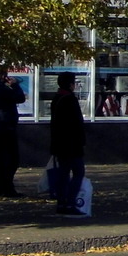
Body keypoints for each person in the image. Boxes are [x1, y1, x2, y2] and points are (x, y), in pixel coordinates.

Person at [0, 67, 27, 197]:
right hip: (5, 125)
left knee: (0, 158)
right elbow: (20, 98)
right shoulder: (0, 88)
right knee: (12, 158)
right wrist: (15, 85)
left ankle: (0, 186)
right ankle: (7, 187)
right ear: (3, 75)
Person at [49, 72, 87, 216]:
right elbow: (76, 123)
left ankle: (62, 203)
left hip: (60, 143)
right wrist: (81, 141)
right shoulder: (70, 99)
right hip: (72, 144)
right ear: (70, 84)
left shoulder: (57, 98)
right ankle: (70, 203)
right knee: (78, 172)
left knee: (63, 173)